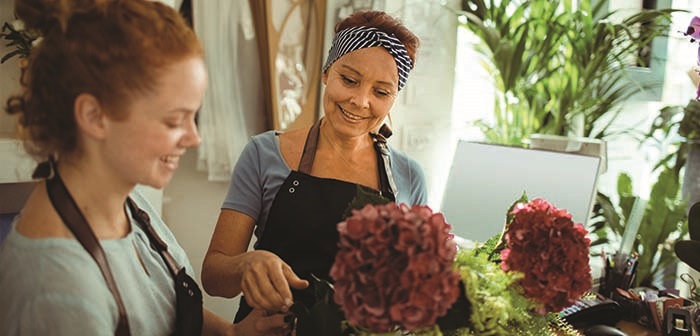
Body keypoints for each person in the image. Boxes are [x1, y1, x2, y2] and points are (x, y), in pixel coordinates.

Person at [0, 0, 290, 335]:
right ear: (95, 116)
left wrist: (232, 332)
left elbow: (161, 305)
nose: (193, 138)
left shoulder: (127, 201)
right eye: (173, 120)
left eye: (192, 117)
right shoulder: (58, 294)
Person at [201, 9, 427, 324]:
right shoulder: (264, 153)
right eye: (349, 80)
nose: (360, 101)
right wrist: (246, 265)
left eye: (380, 92)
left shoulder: (409, 176)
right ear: (326, 72)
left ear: (393, 98)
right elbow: (212, 277)